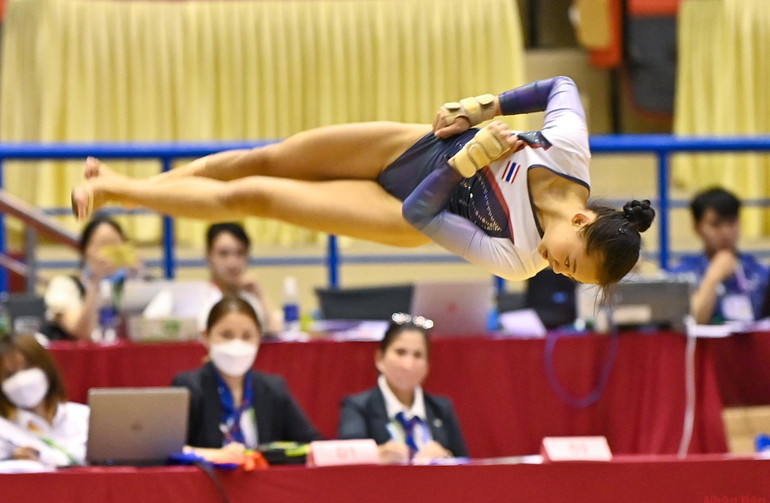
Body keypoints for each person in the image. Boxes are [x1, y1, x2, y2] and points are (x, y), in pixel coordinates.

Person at [71, 76, 655, 288]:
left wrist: (469, 162)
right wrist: (483, 107)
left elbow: (418, 219)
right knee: (265, 158)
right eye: (572, 264)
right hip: (415, 145)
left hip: (400, 208)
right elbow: (561, 88)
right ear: (583, 221)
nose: (558, 272)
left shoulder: (520, 257)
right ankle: (140, 182)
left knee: (255, 197)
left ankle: (117, 191)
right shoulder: (568, 153)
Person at [171, 295, 320, 457]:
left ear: (259, 338)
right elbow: (167, 450)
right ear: (206, 337)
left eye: (247, 336)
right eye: (226, 335)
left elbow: (311, 445)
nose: (237, 344)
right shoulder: (189, 388)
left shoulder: (273, 388)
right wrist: (215, 455)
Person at [338, 315, 467, 464]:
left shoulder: (442, 408)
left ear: (427, 366)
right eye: (400, 352)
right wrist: (377, 456)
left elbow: (465, 465)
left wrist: (446, 458)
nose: (408, 364)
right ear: (379, 358)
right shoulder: (357, 407)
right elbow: (348, 461)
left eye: (418, 355)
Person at [670, 187, 769, 324]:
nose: (725, 232)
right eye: (715, 225)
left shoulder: (760, 273)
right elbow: (691, 321)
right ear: (697, 227)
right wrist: (714, 276)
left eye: (731, 222)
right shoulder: (681, 276)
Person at [43, 215, 139, 341]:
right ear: (85, 250)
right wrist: (94, 284)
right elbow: (81, 332)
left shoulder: (132, 284)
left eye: (115, 246)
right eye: (103, 246)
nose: (109, 254)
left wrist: (138, 278)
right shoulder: (63, 285)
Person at [0, 334, 89, 466]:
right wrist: (11, 460)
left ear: (46, 367)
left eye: (28, 368)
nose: (22, 381)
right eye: (10, 374)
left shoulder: (85, 416)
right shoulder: (4, 430)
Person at [199, 222, 281, 334]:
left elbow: (276, 333)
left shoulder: (252, 299)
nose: (232, 263)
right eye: (223, 254)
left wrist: (260, 295)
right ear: (208, 255)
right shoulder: (199, 299)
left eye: (240, 253)